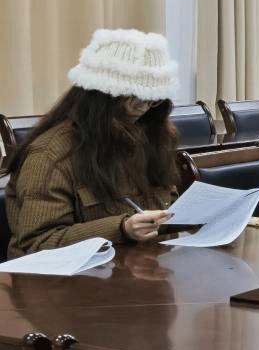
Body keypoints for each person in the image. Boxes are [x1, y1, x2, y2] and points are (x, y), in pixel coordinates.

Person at [5, 28, 180, 258]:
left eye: (152, 99)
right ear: (100, 96)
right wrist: (121, 229)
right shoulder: (49, 154)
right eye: (133, 96)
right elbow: (37, 243)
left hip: (139, 267)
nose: (143, 107)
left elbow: (168, 204)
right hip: (63, 277)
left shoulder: (151, 138)